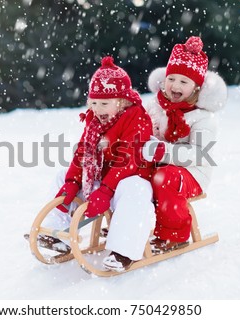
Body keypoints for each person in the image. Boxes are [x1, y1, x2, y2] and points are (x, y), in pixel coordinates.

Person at [43, 56, 156, 271]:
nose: (97, 108)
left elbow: (129, 158)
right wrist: (72, 181)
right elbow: (84, 153)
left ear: (122, 101)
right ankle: (56, 234)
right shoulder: (95, 122)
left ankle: (123, 251)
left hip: (129, 179)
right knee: (62, 176)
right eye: (93, 103)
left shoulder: (136, 118)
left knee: (135, 189)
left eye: (104, 103)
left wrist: (106, 190)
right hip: (103, 183)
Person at [142, 36, 227, 252]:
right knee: (131, 175)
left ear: (196, 88)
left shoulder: (202, 117)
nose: (175, 86)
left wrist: (162, 151)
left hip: (193, 172)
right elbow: (143, 128)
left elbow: (199, 154)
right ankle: (131, 223)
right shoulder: (156, 105)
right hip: (159, 165)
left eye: (183, 82)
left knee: (165, 178)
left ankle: (174, 235)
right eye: (172, 78)